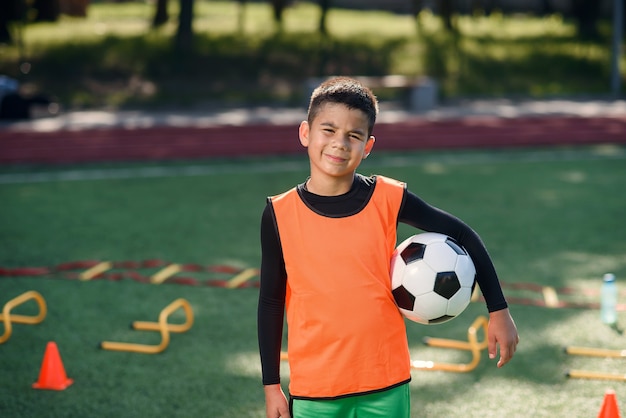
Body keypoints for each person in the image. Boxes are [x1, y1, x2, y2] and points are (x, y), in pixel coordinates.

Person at [257, 76, 519, 418]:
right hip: (315, 389)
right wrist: (271, 385)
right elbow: (271, 301)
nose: (340, 144)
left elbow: (465, 236)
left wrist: (498, 310)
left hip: (385, 382)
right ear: (305, 133)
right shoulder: (279, 213)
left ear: (367, 147)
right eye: (329, 130)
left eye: (354, 136)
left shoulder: (388, 198)